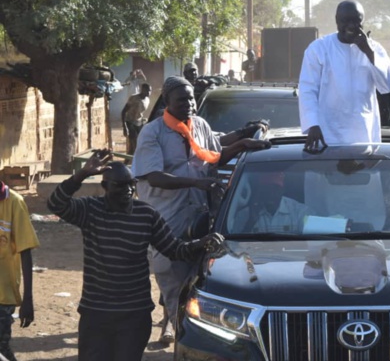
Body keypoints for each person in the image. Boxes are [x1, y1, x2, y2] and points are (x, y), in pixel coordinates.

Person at [47, 152, 225, 361]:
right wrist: (82, 174)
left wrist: (200, 243)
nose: (128, 190)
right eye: (120, 185)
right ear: (106, 187)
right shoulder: (90, 210)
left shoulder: (146, 214)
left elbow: (174, 249)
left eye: (131, 184)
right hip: (96, 312)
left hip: (134, 313)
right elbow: (55, 204)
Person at [132, 76, 270, 343]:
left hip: (200, 216)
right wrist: (197, 181)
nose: (189, 104)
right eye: (182, 99)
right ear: (167, 102)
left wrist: (243, 142)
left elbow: (214, 154)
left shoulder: (200, 126)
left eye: (192, 98)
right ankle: (178, 332)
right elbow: (154, 176)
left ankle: (188, 333)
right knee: (170, 277)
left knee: (197, 278)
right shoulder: (153, 132)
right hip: (166, 219)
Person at [299, 0, 390, 150]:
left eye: (356, 21)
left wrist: (368, 52)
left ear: (363, 21)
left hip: (364, 138)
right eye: (345, 21)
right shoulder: (319, 49)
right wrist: (313, 124)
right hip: (328, 138)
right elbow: (308, 89)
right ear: (337, 21)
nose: (351, 26)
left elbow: (388, 85)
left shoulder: (374, 48)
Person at [0, 180, 38, 361]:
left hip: (3, 295)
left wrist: (27, 299)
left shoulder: (14, 202)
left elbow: (25, 251)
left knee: (2, 348)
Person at [232, 172, 311, 233]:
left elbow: (310, 244)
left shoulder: (300, 212)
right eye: (267, 188)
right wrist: (251, 222)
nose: (271, 193)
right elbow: (234, 246)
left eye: (275, 188)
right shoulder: (245, 214)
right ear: (261, 190)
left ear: (282, 190)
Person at [121, 83, 151, 155]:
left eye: (150, 91)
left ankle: (129, 160)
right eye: (147, 90)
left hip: (139, 123)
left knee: (140, 143)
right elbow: (124, 111)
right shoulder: (133, 98)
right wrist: (124, 126)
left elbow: (141, 112)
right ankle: (131, 160)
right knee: (134, 143)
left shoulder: (147, 100)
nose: (149, 92)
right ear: (142, 90)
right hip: (130, 122)